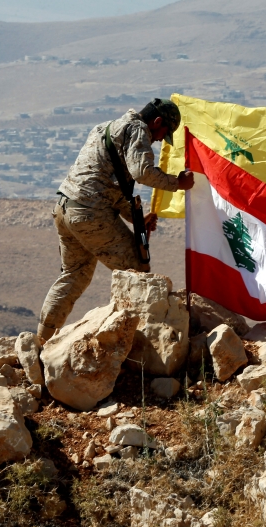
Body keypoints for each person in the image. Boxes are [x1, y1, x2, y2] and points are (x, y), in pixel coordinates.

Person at [36, 98, 195, 345]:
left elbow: (108, 182)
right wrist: (178, 183)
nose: (159, 140)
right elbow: (142, 172)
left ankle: (40, 341)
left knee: (74, 275)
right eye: (162, 134)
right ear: (157, 121)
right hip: (91, 214)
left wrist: (136, 218)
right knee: (137, 272)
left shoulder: (105, 128)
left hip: (66, 209)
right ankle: (139, 344)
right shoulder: (138, 130)